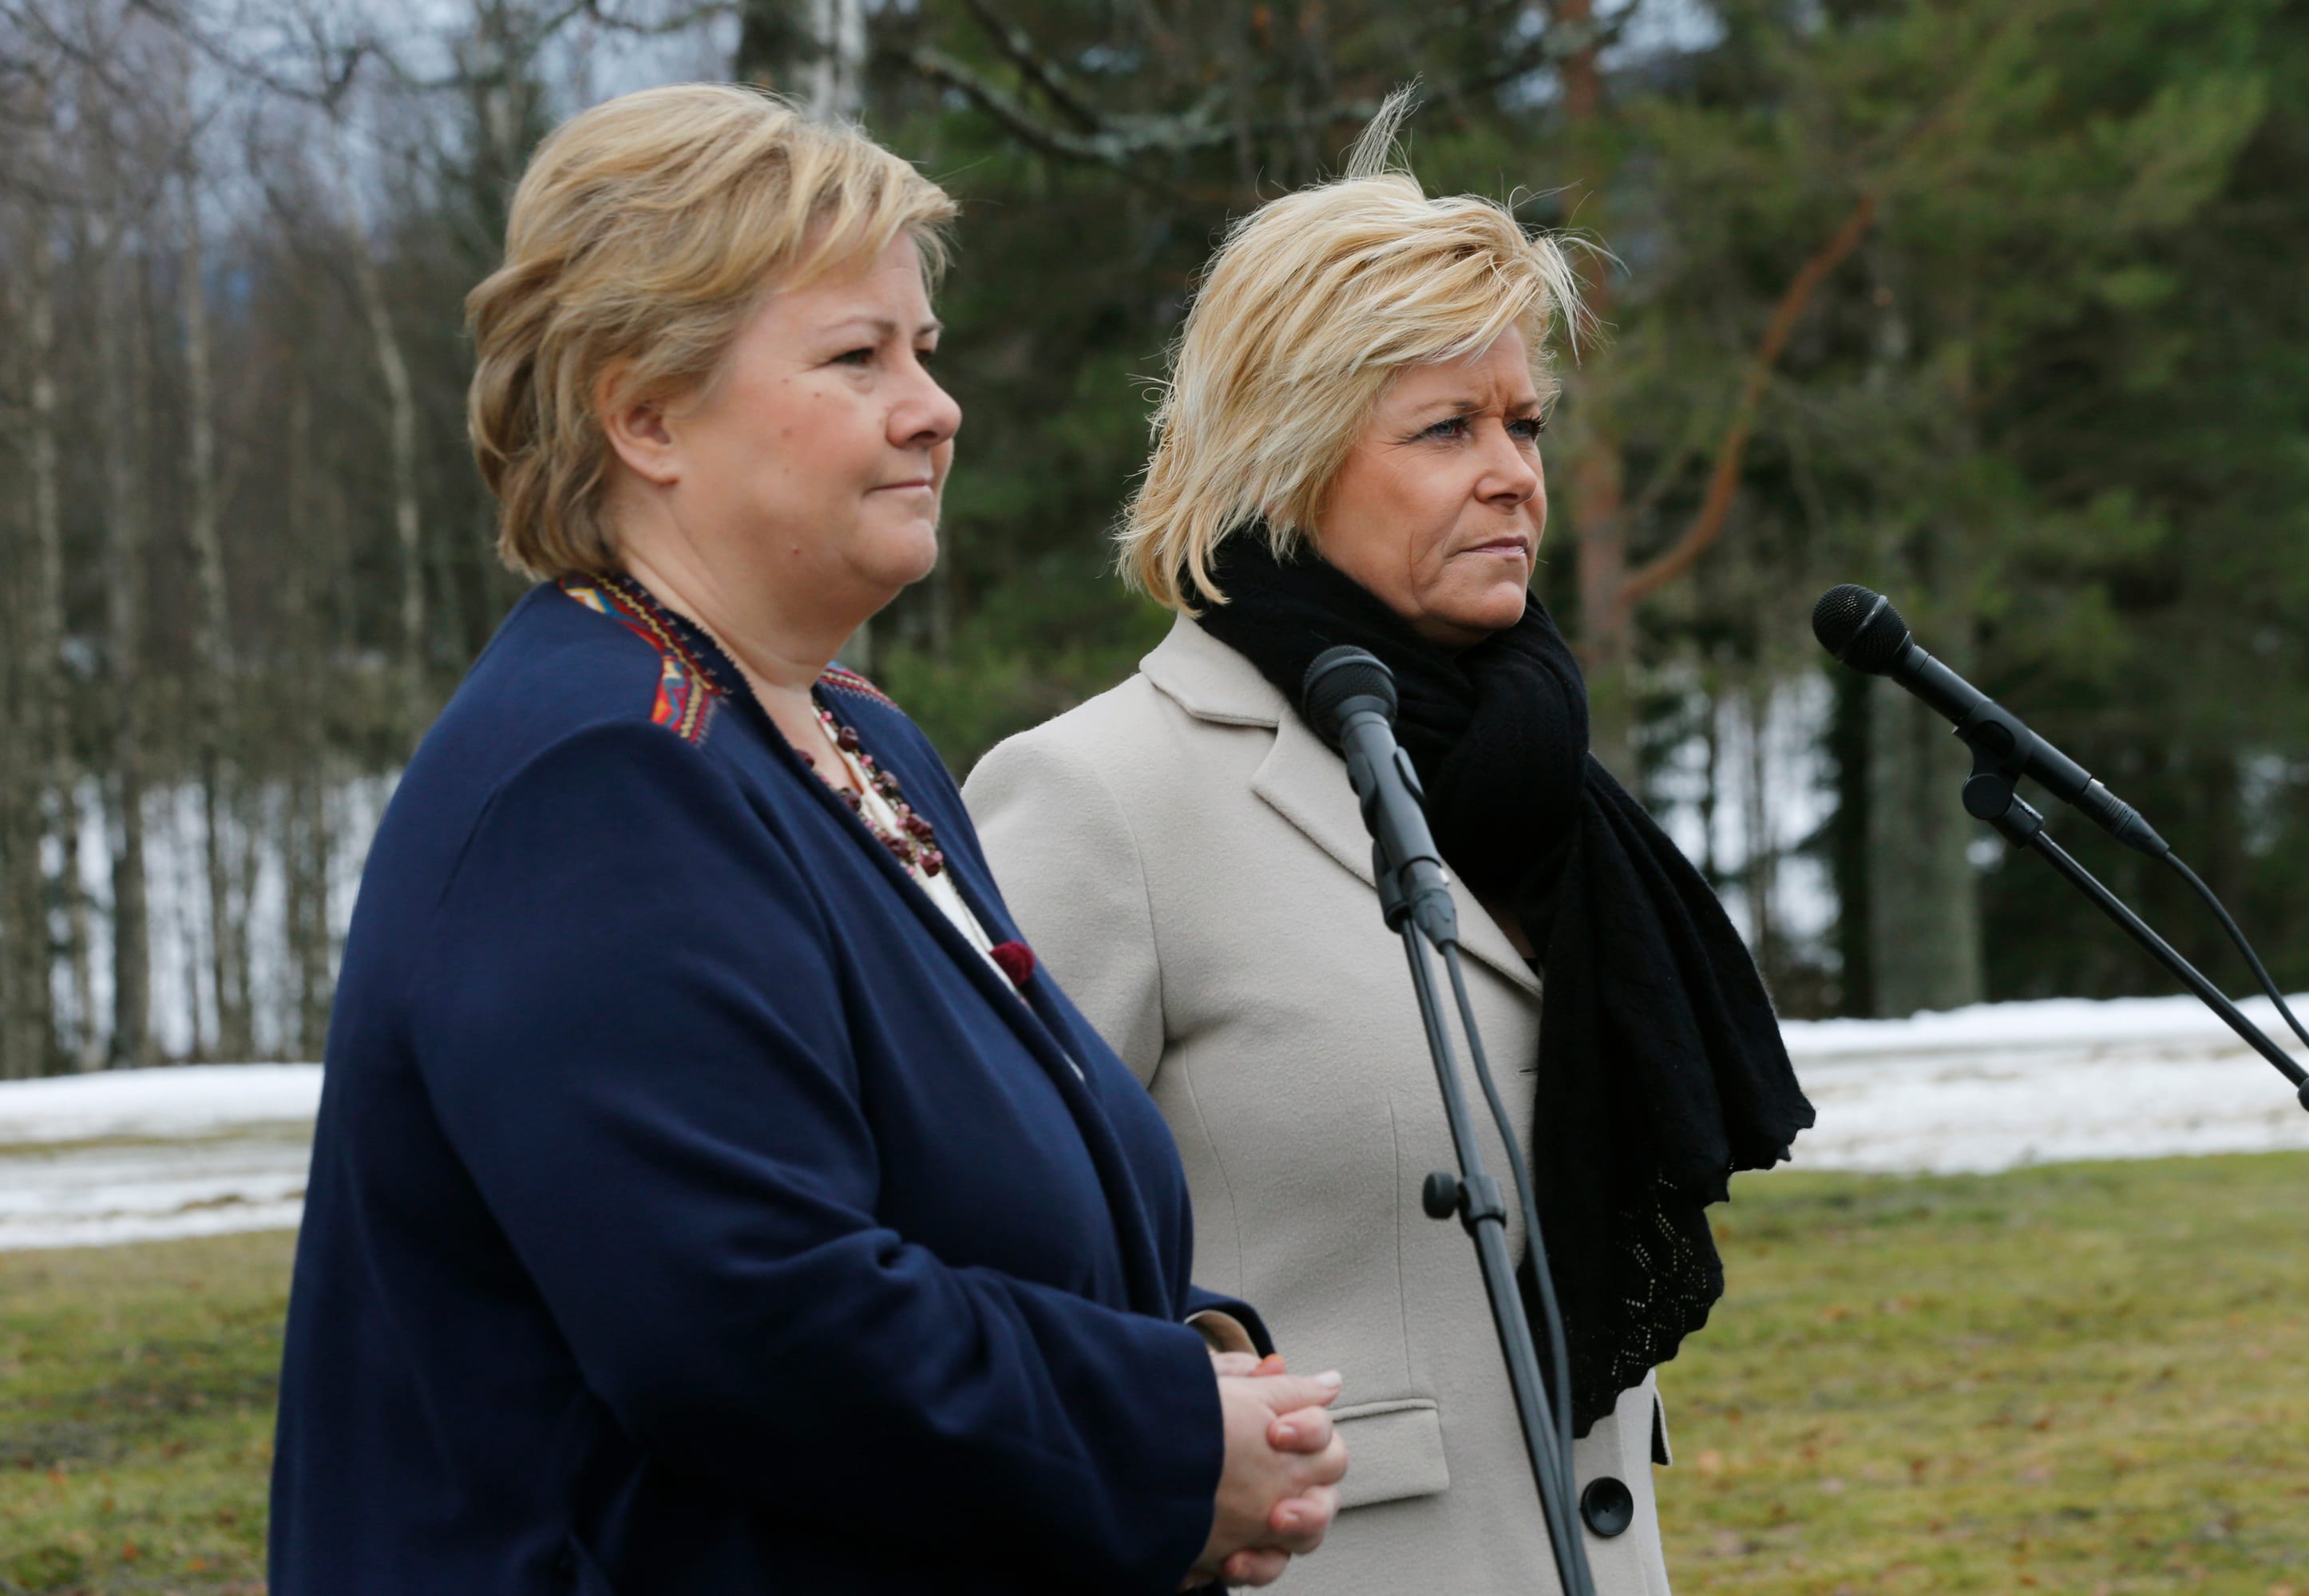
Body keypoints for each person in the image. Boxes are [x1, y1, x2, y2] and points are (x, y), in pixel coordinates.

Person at [268, 83, 1346, 1595]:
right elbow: (747, 1322)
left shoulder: (851, 734)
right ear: (644, 416)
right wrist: (1160, 1436)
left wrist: (1196, 1375)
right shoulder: (602, 777)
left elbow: (954, 1216)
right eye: (858, 357)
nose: (934, 406)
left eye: (925, 349)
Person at [964, 100, 1814, 1594]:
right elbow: (980, 1260)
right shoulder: (1102, 797)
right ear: (1285, 459)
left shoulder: (1537, 777)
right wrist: (1182, 1404)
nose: (1514, 473)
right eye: (1445, 429)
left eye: (1524, 424)